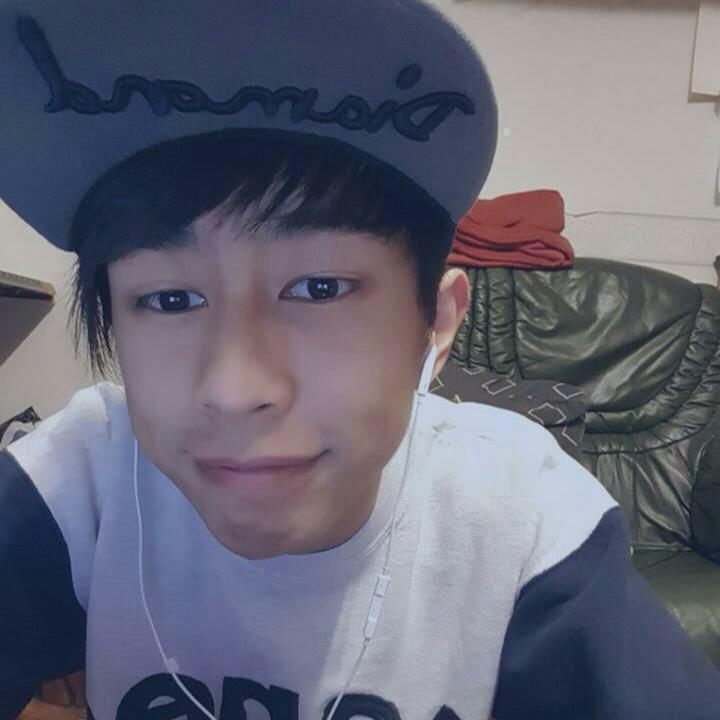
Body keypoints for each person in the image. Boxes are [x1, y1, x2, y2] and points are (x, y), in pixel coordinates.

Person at [1, 2, 719, 719]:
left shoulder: (520, 518)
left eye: (319, 288)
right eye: (170, 299)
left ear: (436, 324)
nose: (234, 388)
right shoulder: (85, 477)